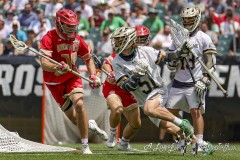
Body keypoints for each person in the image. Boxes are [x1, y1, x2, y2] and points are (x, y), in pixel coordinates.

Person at [102, 26, 189, 151]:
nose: (115, 42)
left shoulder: (145, 51)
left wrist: (180, 52)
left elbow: (167, 57)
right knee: (163, 123)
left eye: (119, 39)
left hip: (157, 90)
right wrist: (136, 74)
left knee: (149, 110)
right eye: (115, 39)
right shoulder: (116, 61)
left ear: (129, 39)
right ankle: (194, 139)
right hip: (143, 97)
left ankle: (184, 125)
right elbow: (126, 87)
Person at [39, 9, 107, 154]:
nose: (71, 28)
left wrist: (94, 75)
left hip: (72, 77)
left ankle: (85, 146)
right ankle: (89, 124)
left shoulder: (76, 39)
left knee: (80, 104)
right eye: (68, 25)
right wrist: (56, 67)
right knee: (74, 119)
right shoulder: (48, 37)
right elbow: (44, 63)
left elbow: (88, 58)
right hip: (54, 82)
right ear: (58, 23)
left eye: (73, 25)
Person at [166, 6, 216, 154]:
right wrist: (179, 53)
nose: (187, 21)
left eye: (190, 19)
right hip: (178, 81)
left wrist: (205, 78)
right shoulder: (177, 37)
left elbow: (210, 62)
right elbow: (170, 62)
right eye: (185, 19)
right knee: (170, 113)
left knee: (196, 111)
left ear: (197, 19)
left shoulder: (203, 37)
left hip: (195, 82)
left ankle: (199, 141)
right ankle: (182, 138)